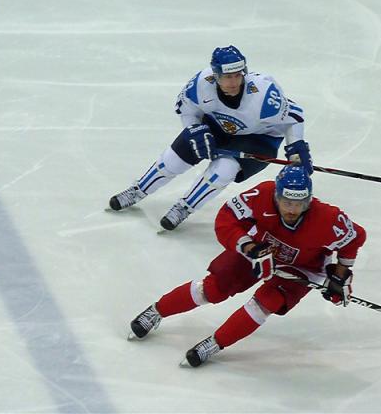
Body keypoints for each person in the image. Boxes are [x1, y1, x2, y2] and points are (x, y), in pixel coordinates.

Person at [128, 164, 366, 367]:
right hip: (258, 248)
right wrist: (249, 248)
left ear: (309, 200)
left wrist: (341, 274)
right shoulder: (261, 195)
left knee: (265, 304)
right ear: (276, 195)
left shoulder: (328, 219)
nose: (293, 210)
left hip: (302, 266)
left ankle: (216, 343)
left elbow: (355, 238)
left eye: (300, 203)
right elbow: (226, 219)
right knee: (212, 288)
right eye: (286, 202)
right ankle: (157, 312)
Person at [108, 45, 312, 230]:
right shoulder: (199, 85)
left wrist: (296, 148)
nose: (233, 82)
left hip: (260, 138)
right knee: (173, 159)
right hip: (216, 125)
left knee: (224, 169)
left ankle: (185, 207)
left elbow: (294, 117)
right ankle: (137, 190)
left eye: (237, 75)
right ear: (215, 76)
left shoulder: (264, 94)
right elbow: (187, 110)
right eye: (226, 77)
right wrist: (194, 129)